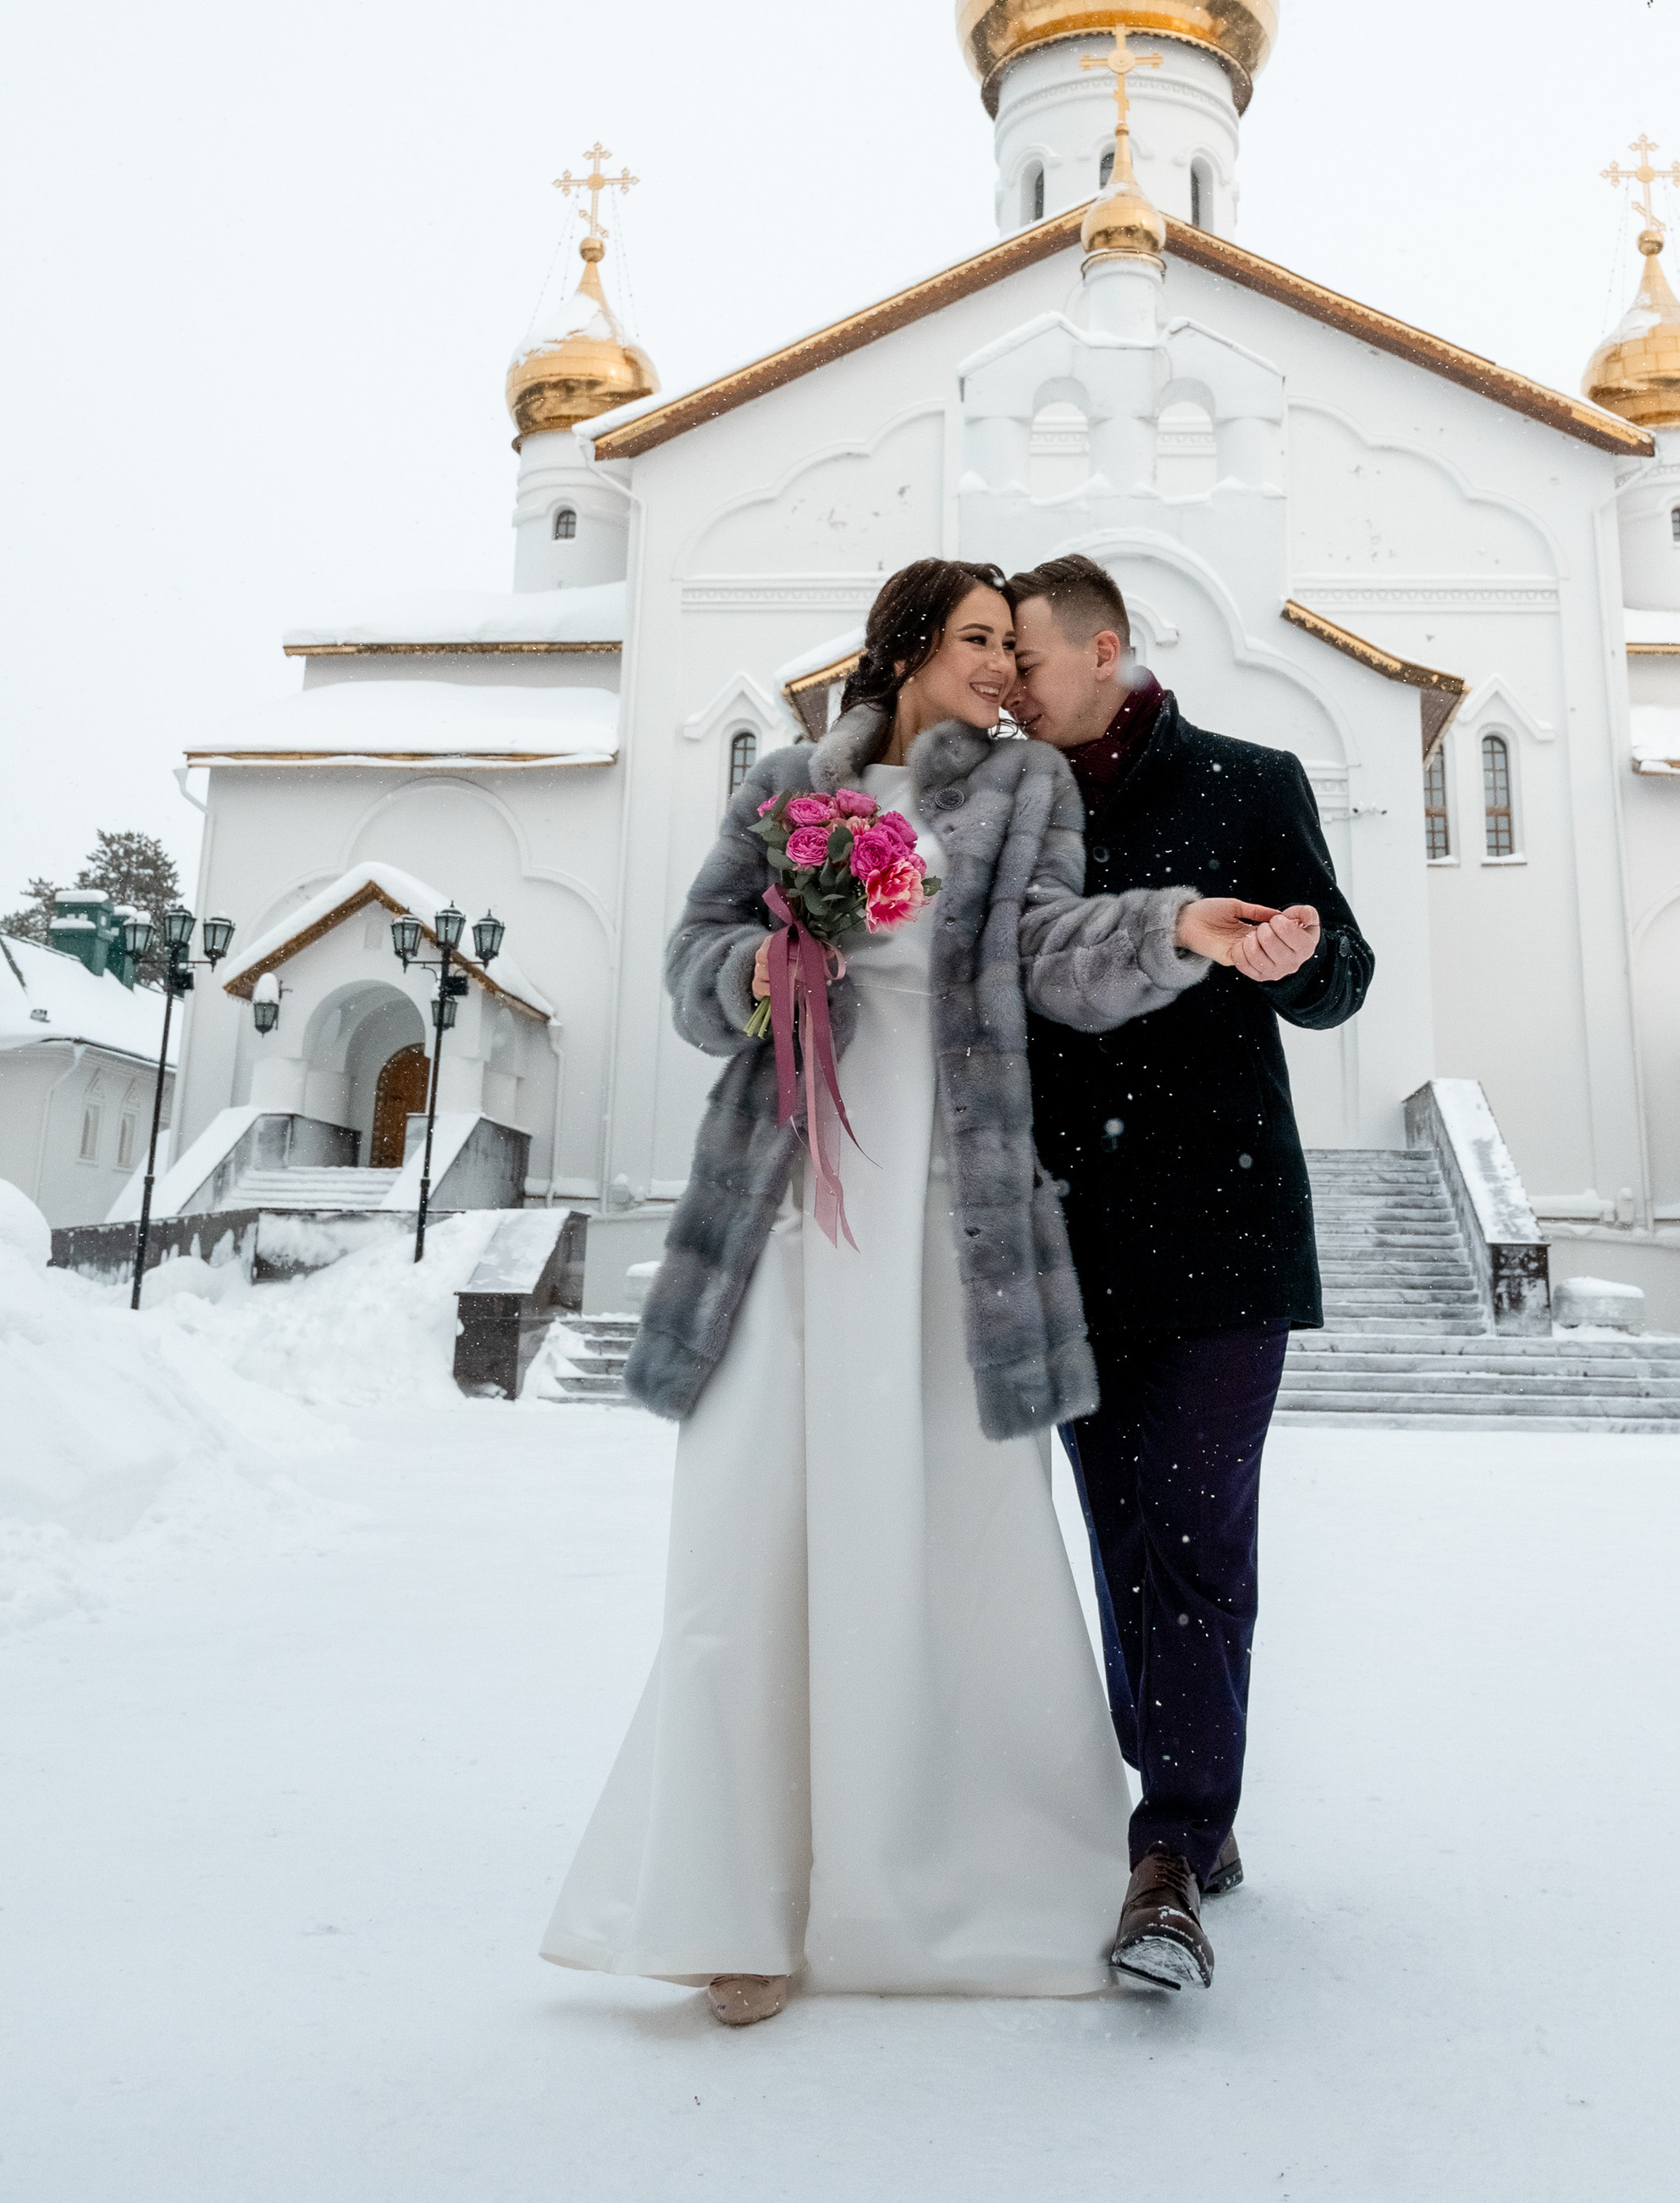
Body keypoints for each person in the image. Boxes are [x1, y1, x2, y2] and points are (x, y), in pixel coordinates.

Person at [540, 558, 1268, 2024]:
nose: (1006, 665)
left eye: (1016, 642)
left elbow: (1051, 954)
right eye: (981, 640)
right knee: (750, 1530)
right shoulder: (784, 792)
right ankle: (731, 1908)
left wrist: (1177, 928)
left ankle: (951, 1869)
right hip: (788, 1195)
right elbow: (693, 964)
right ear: (912, 649)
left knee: (946, 1527)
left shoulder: (1023, 798)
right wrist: (775, 959)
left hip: (947, 1203)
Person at [1009, 553, 1374, 1995]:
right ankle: (1185, 1806)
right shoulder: (1006, 808)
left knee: (1200, 1539)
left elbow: (1342, 974)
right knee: (1121, 1542)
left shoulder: (1249, 778)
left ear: (1104, 652)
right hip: (1069, 1235)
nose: (1007, 689)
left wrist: (1290, 959)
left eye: (1026, 662)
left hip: (1221, 1230)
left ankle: (1168, 1851)